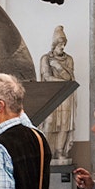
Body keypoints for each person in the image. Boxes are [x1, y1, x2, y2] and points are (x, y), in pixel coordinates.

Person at [39, 25, 76, 164]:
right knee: (49, 123)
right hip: (51, 96)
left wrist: (58, 67)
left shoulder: (68, 59)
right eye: (60, 44)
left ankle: (60, 151)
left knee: (65, 124)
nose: (62, 47)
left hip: (66, 96)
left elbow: (70, 78)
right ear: (54, 44)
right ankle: (47, 151)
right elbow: (47, 77)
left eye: (63, 44)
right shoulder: (45, 59)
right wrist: (63, 81)